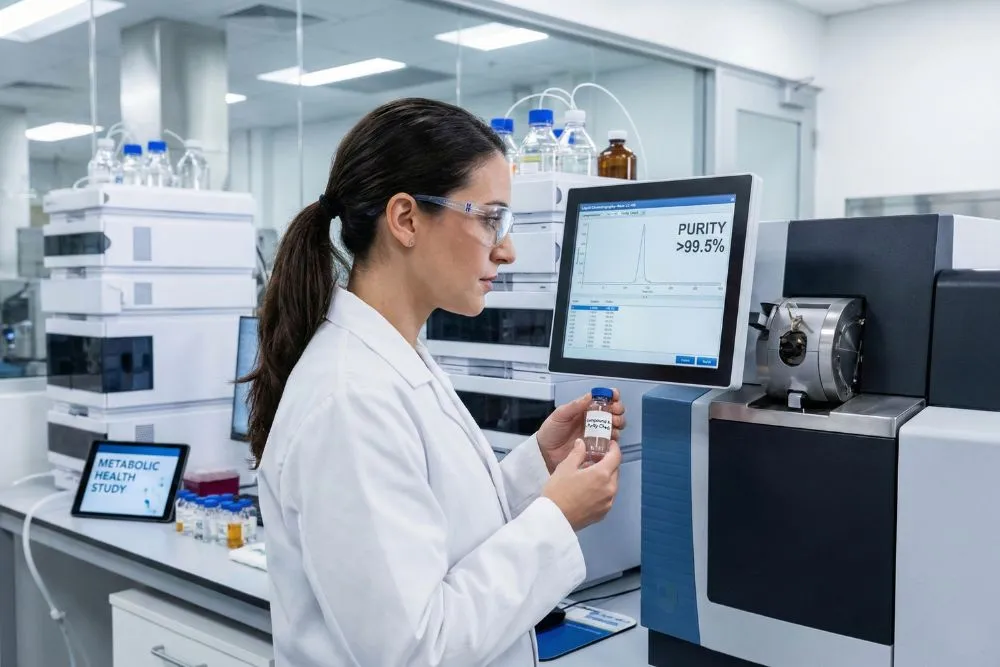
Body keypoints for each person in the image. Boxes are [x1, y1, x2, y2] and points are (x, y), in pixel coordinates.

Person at [244, 98, 626, 667]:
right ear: (405, 220)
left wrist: (536, 467)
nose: (508, 248)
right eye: (490, 217)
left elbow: (437, 534)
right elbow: (413, 649)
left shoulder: (396, 359)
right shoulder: (350, 399)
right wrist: (558, 518)